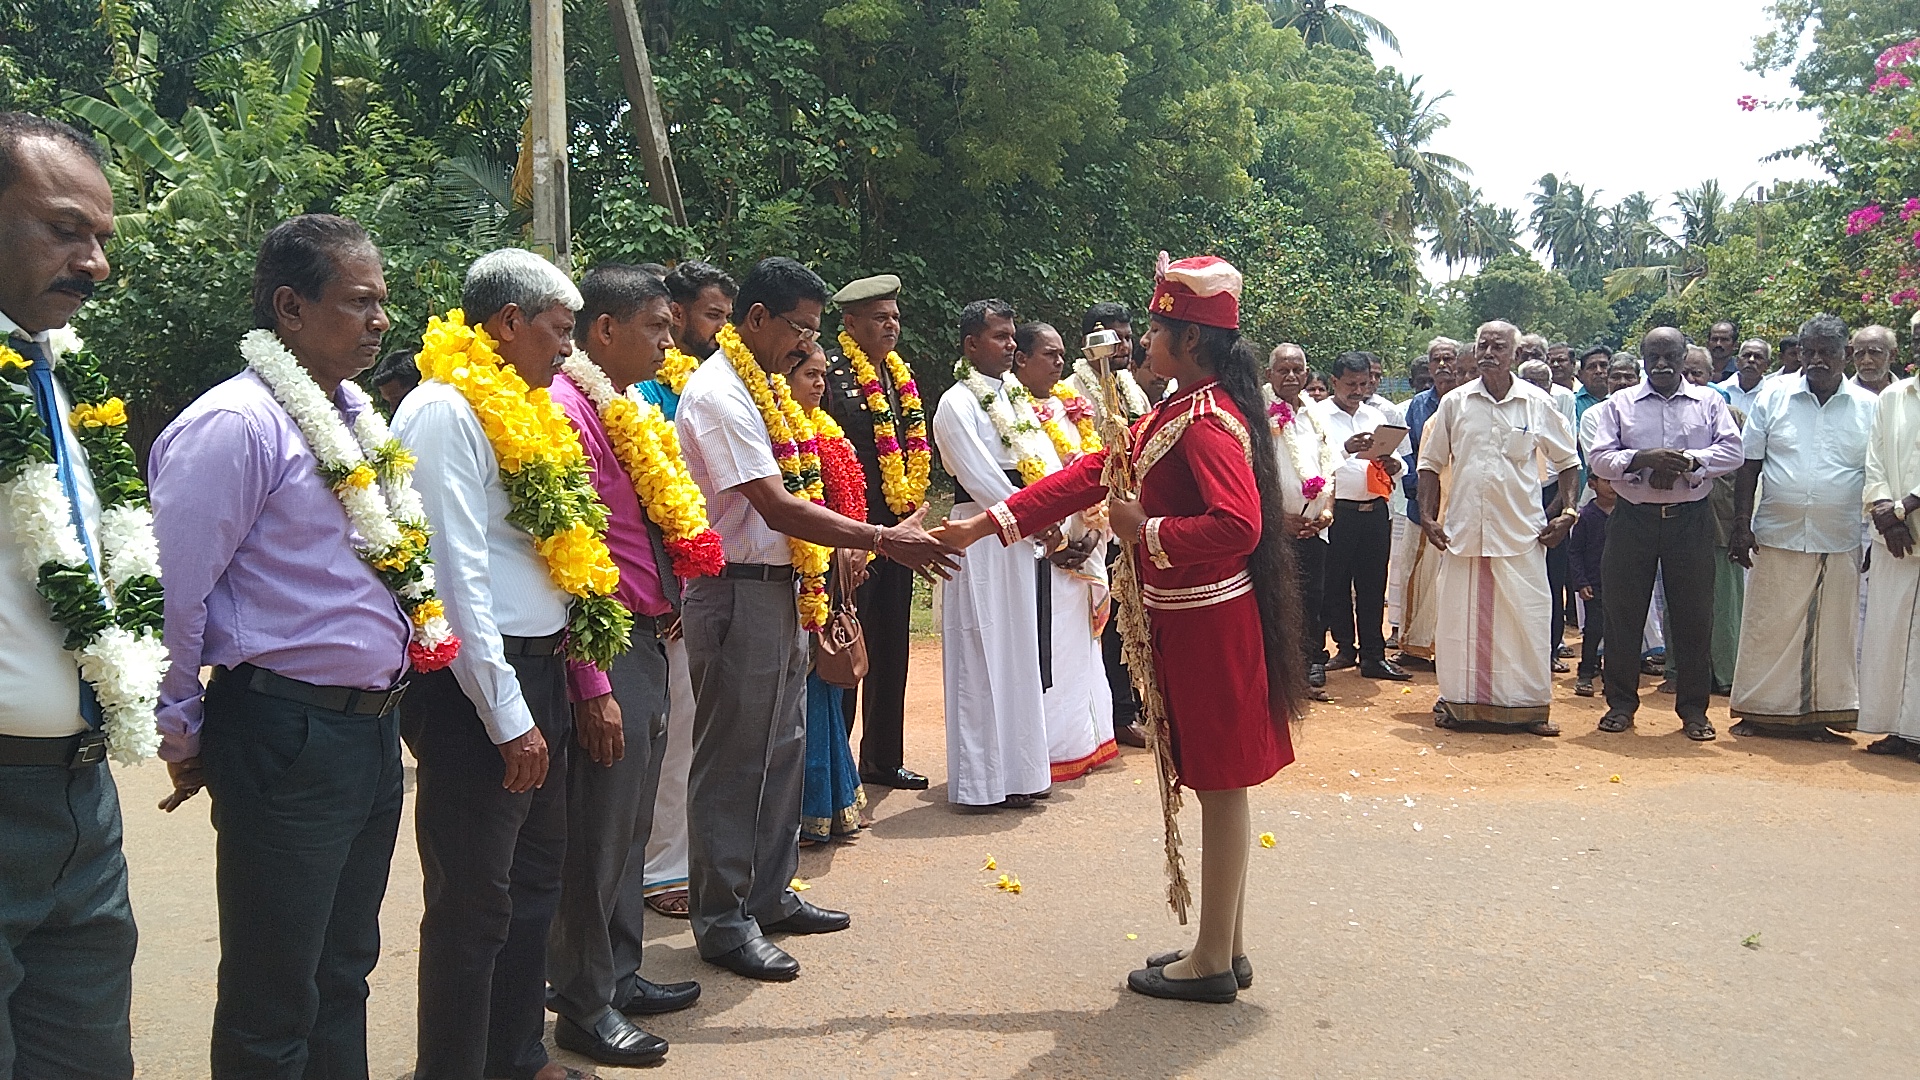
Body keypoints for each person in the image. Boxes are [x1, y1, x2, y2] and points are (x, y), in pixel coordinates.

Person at [934, 254, 1304, 1005]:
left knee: (1220, 784)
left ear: (1191, 341)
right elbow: (1091, 475)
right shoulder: (1181, 410)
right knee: (1218, 784)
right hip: (1194, 619)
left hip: (1209, 620)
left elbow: (1238, 526)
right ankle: (1224, 947)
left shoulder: (1205, 421)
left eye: (1157, 329)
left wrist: (1147, 529)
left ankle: (1212, 958)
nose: (1143, 343)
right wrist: (983, 524)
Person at [151, 216, 424, 1078]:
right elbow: (175, 593)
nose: (381, 320)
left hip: (370, 729)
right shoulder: (235, 425)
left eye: (383, 301)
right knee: (274, 992)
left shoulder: (356, 418)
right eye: (360, 301)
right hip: (287, 731)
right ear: (289, 307)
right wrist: (180, 730)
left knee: (343, 971)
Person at [674, 256, 956, 980]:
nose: (808, 345)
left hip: (786, 584)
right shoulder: (719, 393)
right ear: (756, 319)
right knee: (734, 760)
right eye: (799, 329)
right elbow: (776, 506)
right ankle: (723, 921)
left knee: (783, 748)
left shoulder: (764, 385)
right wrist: (881, 537)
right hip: (738, 589)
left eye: (814, 331)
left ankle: (770, 895)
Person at [392, 249, 610, 1080]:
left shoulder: (528, 407)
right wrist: (508, 716)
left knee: (532, 884)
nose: (569, 348)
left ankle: (516, 1057)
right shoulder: (444, 410)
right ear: (509, 322)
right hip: (476, 689)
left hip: (538, 670)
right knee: (474, 901)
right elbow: (455, 582)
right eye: (560, 329)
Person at [0, 111, 139, 1080]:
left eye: (100, 237)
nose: (94, 262)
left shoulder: (60, 375)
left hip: (81, 798)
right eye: (63, 229)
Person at [546, 264, 710, 1066]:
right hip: (606, 643)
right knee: (600, 830)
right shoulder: (565, 409)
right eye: (656, 326)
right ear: (603, 330)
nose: (669, 343)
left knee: (631, 820)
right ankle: (583, 1004)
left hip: (648, 632)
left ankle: (618, 973)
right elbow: (567, 552)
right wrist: (591, 679)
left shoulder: (624, 405)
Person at [1417, 321, 1580, 736]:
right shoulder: (1454, 403)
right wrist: (1428, 517)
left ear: (1515, 355)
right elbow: (1430, 463)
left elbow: (1568, 462)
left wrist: (1568, 511)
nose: (1489, 352)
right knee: (1458, 623)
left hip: (1521, 533)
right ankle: (1459, 704)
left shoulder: (1536, 403)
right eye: (1483, 345)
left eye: (1498, 346)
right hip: (1464, 533)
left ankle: (1529, 709)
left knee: (1526, 620)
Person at [1587, 326, 1745, 740]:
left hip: (1689, 519)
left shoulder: (1708, 401)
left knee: (1694, 615)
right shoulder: (1620, 403)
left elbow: (1733, 451)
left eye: (1669, 356)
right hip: (1632, 519)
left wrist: (1685, 462)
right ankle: (1620, 705)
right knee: (1623, 614)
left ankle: (1694, 711)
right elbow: (1599, 459)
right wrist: (1642, 459)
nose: (1661, 364)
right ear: (1642, 358)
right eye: (1653, 357)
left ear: (1683, 357)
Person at [1727, 314, 1875, 741]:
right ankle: (1758, 711)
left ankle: (1819, 715)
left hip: (1838, 536)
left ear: (1846, 354)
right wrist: (1741, 525)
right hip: (1776, 533)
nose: (1816, 360)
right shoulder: (1774, 396)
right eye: (1809, 352)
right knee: (1767, 627)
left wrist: (1872, 534)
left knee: (1831, 633)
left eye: (1827, 352)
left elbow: (1875, 473)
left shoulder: (1867, 407)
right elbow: (1749, 466)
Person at [641, 260, 735, 922]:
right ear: (677, 315)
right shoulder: (644, 392)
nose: (721, 330)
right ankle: (660, 869)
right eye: (713, 316)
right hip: (664, 586)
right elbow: (651, 498)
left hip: (702, 578)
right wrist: (672, 583)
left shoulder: (704, 382)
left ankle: (688, 855)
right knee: (671, 733)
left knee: (696, 727)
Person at [934, 299, 1056, 811]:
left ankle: (1023, 773)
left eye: (1012, 336)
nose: (1011, 345)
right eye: (1000, 337)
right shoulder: (956, 402)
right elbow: (979, 475)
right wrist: (1031, 516)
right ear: (971, 344)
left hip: (1020, 534)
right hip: (981, 531)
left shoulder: (1016, 399)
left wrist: (1051, 510)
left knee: (1019, 651)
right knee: (980, 651)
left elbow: (1042, 461)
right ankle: (981, 783)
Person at [820, 274, 933, 791]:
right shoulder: (831, 372)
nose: (892, 326)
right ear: (850, 323)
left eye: (895, 317)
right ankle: (838, 768)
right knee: (847, 643)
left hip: (897, 530)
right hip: (849, 533)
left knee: (892, 646)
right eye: (879, 318)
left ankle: (883, 759)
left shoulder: (899, 376)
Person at [1012, 321, 1117, 781]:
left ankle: (1085, 742)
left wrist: (1094, 533)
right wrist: (1054, 540)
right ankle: (1051, 750)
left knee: (1081, 647)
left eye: (1061, 354)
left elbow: (1094, 473)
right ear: (1022, 359)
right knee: (1049, 648)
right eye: (1049, 354)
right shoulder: (1011, 412)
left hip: (1085, 545)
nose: (1059, 362)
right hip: (1041, 550)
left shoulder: (1070, 407)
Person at [788, 342, 874, 839]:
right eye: (809, 375)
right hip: (800, 575)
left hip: (834, 577)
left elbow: (851, 502)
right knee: (805, 691)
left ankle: (834, 803)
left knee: (825, 686)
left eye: (823, 375)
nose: (820, 384)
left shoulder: (829, 431)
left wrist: (856, 554)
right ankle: (807, 810)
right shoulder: (783, 434)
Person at [1070, 301, 1151, 748]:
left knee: (1136, 612)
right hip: (1095, 520)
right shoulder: (1072, 391)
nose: (1123, 346)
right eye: (1112, 338)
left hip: (1134, 514)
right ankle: (1116, 713)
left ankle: (1137, 704)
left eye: (1128, 337)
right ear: (1090, 345)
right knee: (1108, 617)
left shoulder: (1132, 390)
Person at [1313, 351, 1408, 680]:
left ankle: (1373, 656)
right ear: (1334, 382)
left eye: (1363, 384)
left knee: (1372, 584)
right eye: (1350, 384)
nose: (1357, 391)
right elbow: (1313, 464)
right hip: (1338, 511)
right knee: (1334, 584)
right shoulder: (1318, 416)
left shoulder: (1375, 415)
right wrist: (1346, 449)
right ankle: (1343, 648)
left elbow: (1399, 459)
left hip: (1375, 509)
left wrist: (1395, 465)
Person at [1268, 343, 1335, 700]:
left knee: (1312, 601)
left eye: (1298, 370)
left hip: (1314, 530)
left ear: (1307, 373)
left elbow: (1330, 468)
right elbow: (1251, 477)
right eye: (1284, 370)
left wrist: (1327, 513)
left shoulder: (1316, 415)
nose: (1292, 376)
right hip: (1274, 531)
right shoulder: (1257, 415)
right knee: (1278, 602)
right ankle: (1277, 678)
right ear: (1269, 375)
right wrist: (1277, 519)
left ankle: (1307, 670)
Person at [1861, 363, 1920, 759]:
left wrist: (1904, 507)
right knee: (1890, 635)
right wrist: (1885, 511)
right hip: (1894, 538)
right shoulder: (1893, 396)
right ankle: (1897, 728)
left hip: (1903, 519)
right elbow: (1874, 459)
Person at [1393, 339, 1461, 668]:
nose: (1443, 365)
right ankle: (1416, 646)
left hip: (1461, 506)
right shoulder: (1419, 405)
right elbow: (1408, 452)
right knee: (1416, 574)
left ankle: (1451, 647)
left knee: (1454, 580)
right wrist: (1419, 493)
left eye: (1449, 358)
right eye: (1437, 359)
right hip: (1423, 507)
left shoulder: (1469, 401)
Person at [1568, 475, 1616, 696]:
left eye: (1615, 481)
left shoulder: (1627, 515)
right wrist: (1581, 582)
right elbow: (1575, 552)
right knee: (1594, 630)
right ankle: (1586, 674)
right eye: (1606, 481)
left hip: (1621, 585)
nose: (1612, 486)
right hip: (1594, 585)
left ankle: (1613, 680)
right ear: (1592, 484)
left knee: (1618, 633)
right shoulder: (1586, 516)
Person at [1718, 338, 1771, 413]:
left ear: (1767, 364)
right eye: (1746, 355)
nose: (1751, 360)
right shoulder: (1720, 390)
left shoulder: (1772, 395)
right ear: (1737, 361)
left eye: (1758, 357)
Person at [1851, 324, 1899, 395]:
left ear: (1892, 355)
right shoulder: (1843, 396)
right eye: (1859, 354)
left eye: (1874, 352)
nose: (1866, 361)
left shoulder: (1907, 393)